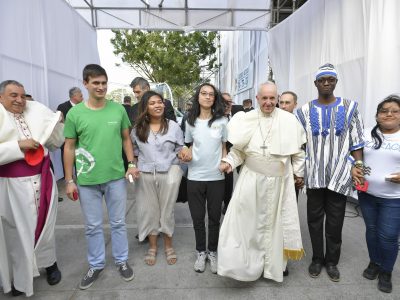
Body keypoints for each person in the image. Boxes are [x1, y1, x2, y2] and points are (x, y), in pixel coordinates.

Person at [218, 82, 306, 282]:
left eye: (272, 98)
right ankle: (246, 266)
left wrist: (298, 174)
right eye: (264, 98)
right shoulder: (246, 119)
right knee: (246, 224)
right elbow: (238, 151)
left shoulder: (289, 120)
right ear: (257, 98)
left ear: (277, 98)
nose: (268, 102)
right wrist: (228, 161)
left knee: (276, 225)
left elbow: (298, 153)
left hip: (279, 182)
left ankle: (273, 266)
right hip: (251, 180)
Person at [63, 64, 135, 290]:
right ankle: (96, 264)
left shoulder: (118, 110)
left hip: (115, 178)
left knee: (118, 223)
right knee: (92, 226)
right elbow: (69, 147)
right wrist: (69, 180)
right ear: (85, 84)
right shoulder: (75, 113)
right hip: (86, 181)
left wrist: (131, 164)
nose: (101, 87)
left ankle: (122, 261)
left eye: (104, 83)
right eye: (95, 83)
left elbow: (126, 139)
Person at [296, 63, 365, 282]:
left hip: (340, 175)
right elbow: (299, 145)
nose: (326, 83)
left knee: (335, 221)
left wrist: (359, 168)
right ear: (316, 83)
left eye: (331, 79)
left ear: (336, 82)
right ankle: (317, 259)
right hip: (314, 175)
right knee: (314, 220)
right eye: (322, 80)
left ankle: (332, 262)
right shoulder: (304, 112)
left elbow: (357, 142)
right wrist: (299, 171)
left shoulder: (350, 107)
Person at [0, 80, 63, 297]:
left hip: (43, 177)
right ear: (1, 98)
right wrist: (18, 145)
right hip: (12, 186)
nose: (19, 100)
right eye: (13, 95)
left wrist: (56, 125)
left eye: (22, 95)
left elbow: (56, 143)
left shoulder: (35, 112)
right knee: (17, 232)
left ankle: (50, 263)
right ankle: (20, 278)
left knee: (46, 225)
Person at [352, 95, 400, 293]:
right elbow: (352, 154)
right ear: (377, 116)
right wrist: (354, 166)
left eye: (395, 111)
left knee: (388, 236)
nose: (389, 114)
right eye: (384, 111)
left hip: (394, 198)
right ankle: (375, 262)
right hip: (367, 194)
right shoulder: (365, 134)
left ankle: (386, 271)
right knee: (371, 231)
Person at [130, 90, 184, 266]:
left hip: (168, 174)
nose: (157, 105)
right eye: (152, 103)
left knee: (167, 211)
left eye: (160, 102)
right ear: (145, 107)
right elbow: (134, 153)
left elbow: (180, 149)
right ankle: (152, 247)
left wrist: (183, 157)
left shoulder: (173, 126)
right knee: (149, 211)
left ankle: (168, 246)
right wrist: (133, 167)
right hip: (145, 175)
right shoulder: (137, 129)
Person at [179, 83, 227, 274]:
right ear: (198, 97)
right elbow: (188, 145)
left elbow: (225, 147)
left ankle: (213, 252)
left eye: (211, 94)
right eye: (203, 93)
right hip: (195, 176)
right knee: (198, 218)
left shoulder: (222, 121)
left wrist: (224, 162)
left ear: (215, 99)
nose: (207, 97)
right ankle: (201, 252)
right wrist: (185, 152)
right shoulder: (190, 121)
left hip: (216, 176)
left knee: (214, 218)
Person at [57, 87, 83, 175]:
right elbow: (59, 123)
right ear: (74, 96)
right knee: (67, 164)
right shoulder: (62, 107)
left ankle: (81, 182)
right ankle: (69, 181)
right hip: (67, 141)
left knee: (80, 164)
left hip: (81, 142)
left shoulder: (84, 107)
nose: (82, 98)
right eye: (81, 96)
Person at [221, 92, 234, 214]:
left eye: (230, 102)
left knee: (228, 181)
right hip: (215, 155)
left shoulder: (237, 114)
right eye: (225, 102)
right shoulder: (213, 118)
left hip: (231, 155)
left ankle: (227, 204)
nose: (228, 105)